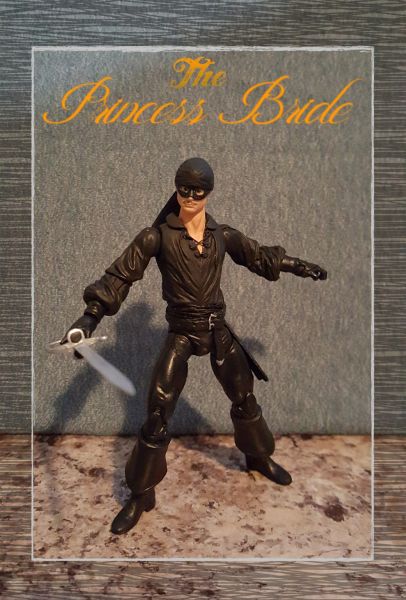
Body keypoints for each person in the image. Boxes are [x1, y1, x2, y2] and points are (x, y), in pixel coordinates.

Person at [62, 157, 327, 535]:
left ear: (208, 193)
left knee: (244, 396)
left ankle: (257, 457)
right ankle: (141, 493)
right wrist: (88, 319)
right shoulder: (155, 237)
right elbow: (119, 277)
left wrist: (298, 265)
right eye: (184, 189)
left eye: (197, 190)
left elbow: (258, 256)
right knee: (157, 413)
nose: (189, 196)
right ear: (176, 189)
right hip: (182, 333)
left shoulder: (222, 235)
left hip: (218, 331)